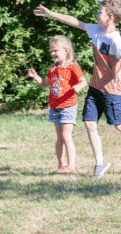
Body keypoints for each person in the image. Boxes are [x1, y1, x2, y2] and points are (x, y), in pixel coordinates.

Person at [33, 0, 121, 178]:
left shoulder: (116, 40)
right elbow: (75, 21)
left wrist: (119, 73)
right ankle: (100, 162)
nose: (97, 15)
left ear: (111, 17)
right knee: (89, 122)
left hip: (111, 89)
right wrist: (51, 14)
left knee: (119, 125)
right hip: (95, 86)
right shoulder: (96, 30)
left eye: (100, 12)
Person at [27, 35, 87, 173]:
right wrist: (35, 76)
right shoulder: (53, 68)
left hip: (68, 106)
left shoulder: (73, 67)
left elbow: (83, 81)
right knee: (59, 137)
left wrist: (78, 87)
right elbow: (44, 84)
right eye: (51, 51)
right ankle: (62, 165)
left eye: (55, 50)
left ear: (65, 51)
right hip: (55, 107)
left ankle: (71, 166)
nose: (53, 54)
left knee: (66, 136)